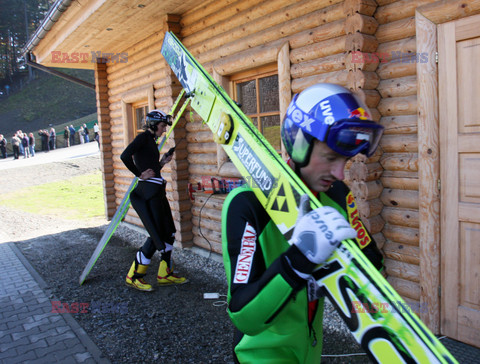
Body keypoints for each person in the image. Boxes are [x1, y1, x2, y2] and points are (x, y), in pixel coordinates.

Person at [222, 83, 385, 363]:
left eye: (345, 160)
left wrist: (335, 267)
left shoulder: (337, 196)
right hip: (260, 357)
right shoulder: (247, 204)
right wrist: (298, 260)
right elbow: (242, 314)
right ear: (298, 145)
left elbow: (373, 262)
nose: (339, 172)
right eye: (331, 157)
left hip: (310, 352)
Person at [120, 109, 187, 291]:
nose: (164, 129)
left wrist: (162, 162)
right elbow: (125, 156)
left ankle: (165, 274)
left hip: (158, 190)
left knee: (170, 232)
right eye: (162, 126)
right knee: (156, 233)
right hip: (149, 193)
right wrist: (139, 175)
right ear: (152, 124)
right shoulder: (143, 138)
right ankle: (134, 276)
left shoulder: (151, 141)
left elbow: (151, 167)